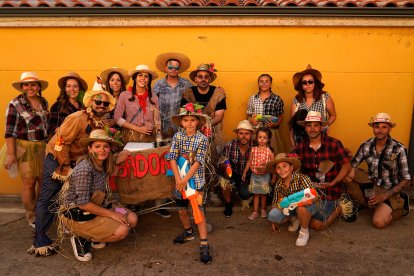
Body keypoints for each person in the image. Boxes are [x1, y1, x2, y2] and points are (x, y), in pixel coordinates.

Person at [28, 79, 116, 256]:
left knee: (80, 195)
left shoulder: (102, 123)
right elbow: (61, 143)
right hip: (58, 158)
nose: (101, 105)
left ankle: (79, 229)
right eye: (98, 101)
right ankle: (40, 237)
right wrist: (67, 167)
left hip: (78, 160)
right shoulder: (77, 118)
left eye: (105, 103)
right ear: (90, 102)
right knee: (50, 195)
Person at [60, 129, 137, 262]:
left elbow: (112, 168)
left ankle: (96, 237)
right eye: (97, 146)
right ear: (90, 149)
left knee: (132, 218)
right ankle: (82, 238)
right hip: (78, 213)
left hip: (99, 207)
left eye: (105, 146)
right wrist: (112, 214)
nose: (102, 150)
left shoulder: (103, 163)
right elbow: (83, 204)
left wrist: (118, 159)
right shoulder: (85, 169)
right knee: (122, 230)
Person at [345, 113, 411, 229]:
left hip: (389, 189)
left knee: (379, 222)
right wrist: (347, 157)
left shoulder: (399, 149)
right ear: (373, 128)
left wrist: (384, 196)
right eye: (377, 127)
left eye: (384, 127)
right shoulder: (366, 145)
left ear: (390, 128)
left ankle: (401, 205)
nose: (380, 130)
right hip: (372, 182)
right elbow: (352, 165)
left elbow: (406, 178)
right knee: (347, 174)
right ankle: (366, 205)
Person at [2, 72, 49, 228]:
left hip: (42, 147)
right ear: (22, 87)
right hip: (25, 148)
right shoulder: (15, 104)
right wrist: (11, 154)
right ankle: (32, 215)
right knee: (29, 183)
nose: (30, 88)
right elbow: (9, 131)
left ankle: (42, 211)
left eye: (33, 84)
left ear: (38, 86)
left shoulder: (43, 101)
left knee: (43, 182)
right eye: (26, 85)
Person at [167, 103, 211, 264]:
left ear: (198, 122)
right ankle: (188, 232)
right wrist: (179, 179)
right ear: (182, 123)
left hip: (195, 181)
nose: (190, 123)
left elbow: (198, 161)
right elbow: (172, 156)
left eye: (193, 120)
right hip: (179, 180)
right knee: (181, 210)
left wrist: (185, 180)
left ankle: (204, 242)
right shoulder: (177, 137)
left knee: (198, 212)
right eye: (186, 120)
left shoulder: (202, 139)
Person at [293, 111, 352, 230]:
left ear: (321, 127)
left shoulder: (334, 144)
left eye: (315, 125)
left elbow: (346, 165)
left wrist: (333, 182)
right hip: (310, 191)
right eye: (309, 125)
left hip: (330, 191)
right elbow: (290, 163)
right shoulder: (301, 147)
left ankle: (339, 208)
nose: (312, 129)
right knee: (296, 213)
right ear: (305, 128)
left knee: (316, 225)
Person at [181, 63, 226, 206]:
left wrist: (205, 127)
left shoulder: (218, 93)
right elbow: (183, 113)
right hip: (190, 134)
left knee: (211, 163)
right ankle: (195, 193)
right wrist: (194, 128)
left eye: (206, 76)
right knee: (192, 162)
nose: (203, 79)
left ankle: (212, 193)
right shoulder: (188, 93)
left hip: (212, 134)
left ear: (210, 78)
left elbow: (219, 116)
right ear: (195, 78)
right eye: (200, 76)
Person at [267, 153, 318, 247]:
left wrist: (302, 201)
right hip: (291, 208)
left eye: (284, 166)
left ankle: (304, 232)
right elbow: (275, 203)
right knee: (273, 215)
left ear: (291, 167)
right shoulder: (278, 184)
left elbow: (315, 197)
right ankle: (295, 219)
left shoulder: (302, 178)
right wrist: (273, 220)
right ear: (276, 170)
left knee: (301, 208)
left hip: (308, 207)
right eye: (278, 167)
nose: (281, 170)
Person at [290, 65, 337, 147]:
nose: (307, 84)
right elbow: (293, 124)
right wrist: (293, 143)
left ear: (315, 83)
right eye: (304, 82)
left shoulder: (325, 97)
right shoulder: (297, 99)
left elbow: (333, 115)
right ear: (301, 85)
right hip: (300, 139)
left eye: (310, 82)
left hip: (319, 136)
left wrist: (325, 126)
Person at [113, 64, 161, 143]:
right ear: (135, 78)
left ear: (149, 80)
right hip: (131, 137)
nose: (143, 78)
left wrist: (158, 136)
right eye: (140, 75)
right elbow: (117, 118)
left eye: (146, 76)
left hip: (149, 138)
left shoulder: (154, 97)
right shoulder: (125, 95)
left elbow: (158, 120)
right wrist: (139, 129)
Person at [220, 120, 255, 217]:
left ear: (251, 134)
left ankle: (243, 192)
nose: (244, 136)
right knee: (224, 181)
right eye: (241, 133)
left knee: (245, 195)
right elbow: (223, 161)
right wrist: (225, 166)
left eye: (247, 133)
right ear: (237, 134)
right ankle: (228, 204)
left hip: (248, 176)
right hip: (233, 173)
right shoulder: (229, 145)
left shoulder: (255, 146)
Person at [154, 52, 192, 138]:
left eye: (176, 67)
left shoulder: (186, 84)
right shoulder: (158, 84)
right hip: (163, 126)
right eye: (170, 67)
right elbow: (152, 104)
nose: (173, 69)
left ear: (179, 69)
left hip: (181, 127)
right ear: (165, 68)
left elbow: (195, 100)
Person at [242, 127, 274, 220]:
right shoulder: (253, 150)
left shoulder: (270, 152)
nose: (262, 139)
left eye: (264, 137)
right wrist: (245, 172)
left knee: (263, 194)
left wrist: (274, 177)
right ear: (256, 138)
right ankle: (255, 211)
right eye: (260, 137)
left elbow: (273, 166)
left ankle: (263, 210)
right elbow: (249, 161)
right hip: (254, 175)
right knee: (256, 194)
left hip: (265, 176)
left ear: (268, 139)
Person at [247, 73, 284, 154]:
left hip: (271, 131)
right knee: (255, 154)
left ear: (270, 84)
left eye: (267, 81)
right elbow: (249, 116)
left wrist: (274, 124)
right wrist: (251, 121)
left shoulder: (277, 99)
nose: (264, 84)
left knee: (271, 153)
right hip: (255, 131)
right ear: (258, 83)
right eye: (261, 81)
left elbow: (280, 117)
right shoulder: (252, 98)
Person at [48, 72, 88, 138]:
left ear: (79, 89)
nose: (72, 89)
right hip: (63, 142)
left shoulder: (83, 106)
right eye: (68, 86)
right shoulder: (57, 106)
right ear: (64, 89)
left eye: (75, 86)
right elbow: (52, 128)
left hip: (79, 144)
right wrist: (68, 132)